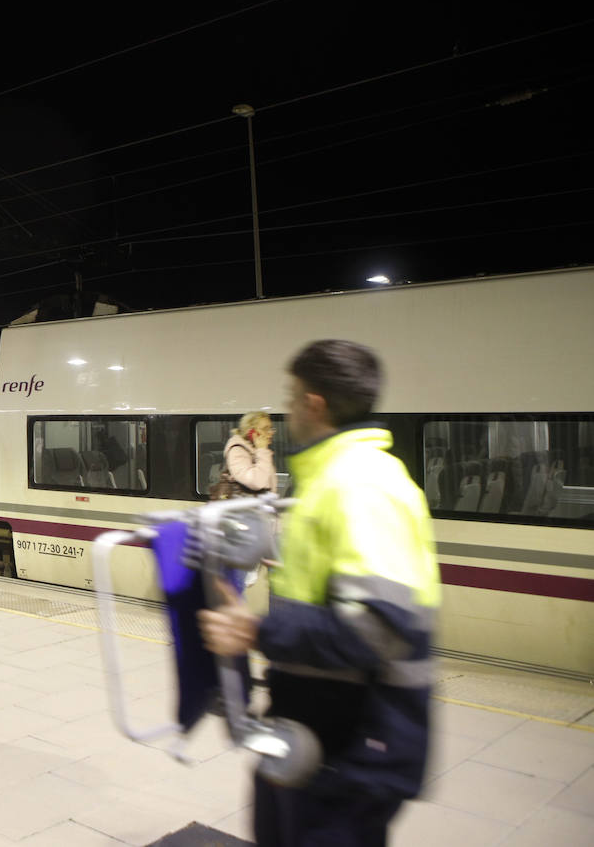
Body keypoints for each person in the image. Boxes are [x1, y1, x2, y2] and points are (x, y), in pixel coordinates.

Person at [198, 340, 439, 847]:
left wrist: (255, 628)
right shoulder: (328, 480)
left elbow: (375, 629)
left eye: (291, 397)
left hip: (355, 742)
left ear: (313, 403)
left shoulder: (361, 486)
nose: (285, 411)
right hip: (315, 726)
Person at [221, 411, 278, 496]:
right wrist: (262, 450)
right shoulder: (237, 451)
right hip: (243, 507)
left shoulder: (256, 450)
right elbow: (256, 482)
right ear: (251, 432)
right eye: (265, 429)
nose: (271, 432)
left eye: (271, 428)